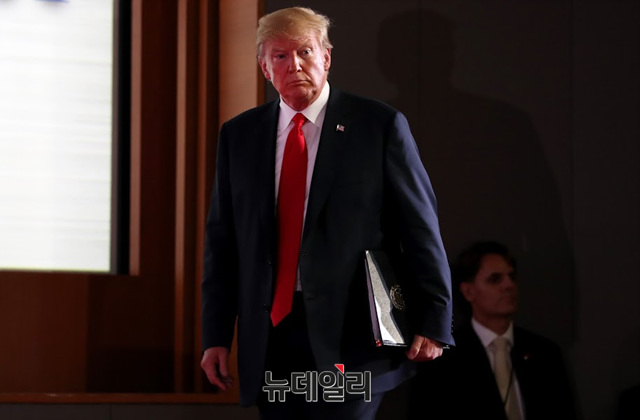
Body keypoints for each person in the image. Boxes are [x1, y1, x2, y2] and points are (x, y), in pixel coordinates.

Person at [200, 7, 453, 419]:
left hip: (353, 334)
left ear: (326, 57)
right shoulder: (240, 135)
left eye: (305, 52)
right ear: (265, 68)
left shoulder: (378, 125)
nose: (295, 64)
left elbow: (420, 228)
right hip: (273, 335)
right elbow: (222, 242)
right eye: (280, 56)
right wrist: (215, 334)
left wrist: (436, 319)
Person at [410, 241, 577, 419]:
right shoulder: (443, 361)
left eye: (512, 277)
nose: (509, 285)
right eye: (495, 279)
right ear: (468, 291)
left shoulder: (546, 353)